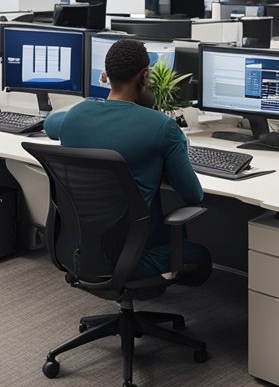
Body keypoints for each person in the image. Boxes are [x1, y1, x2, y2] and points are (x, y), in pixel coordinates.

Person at [44, 38, 212, 285]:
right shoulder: (162, 127)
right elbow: (193, 195)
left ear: (105, 76)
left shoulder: (77, 115)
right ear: (146, 76)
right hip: (130, 257)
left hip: (78, 248)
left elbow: (50, 124)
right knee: (201, 255)